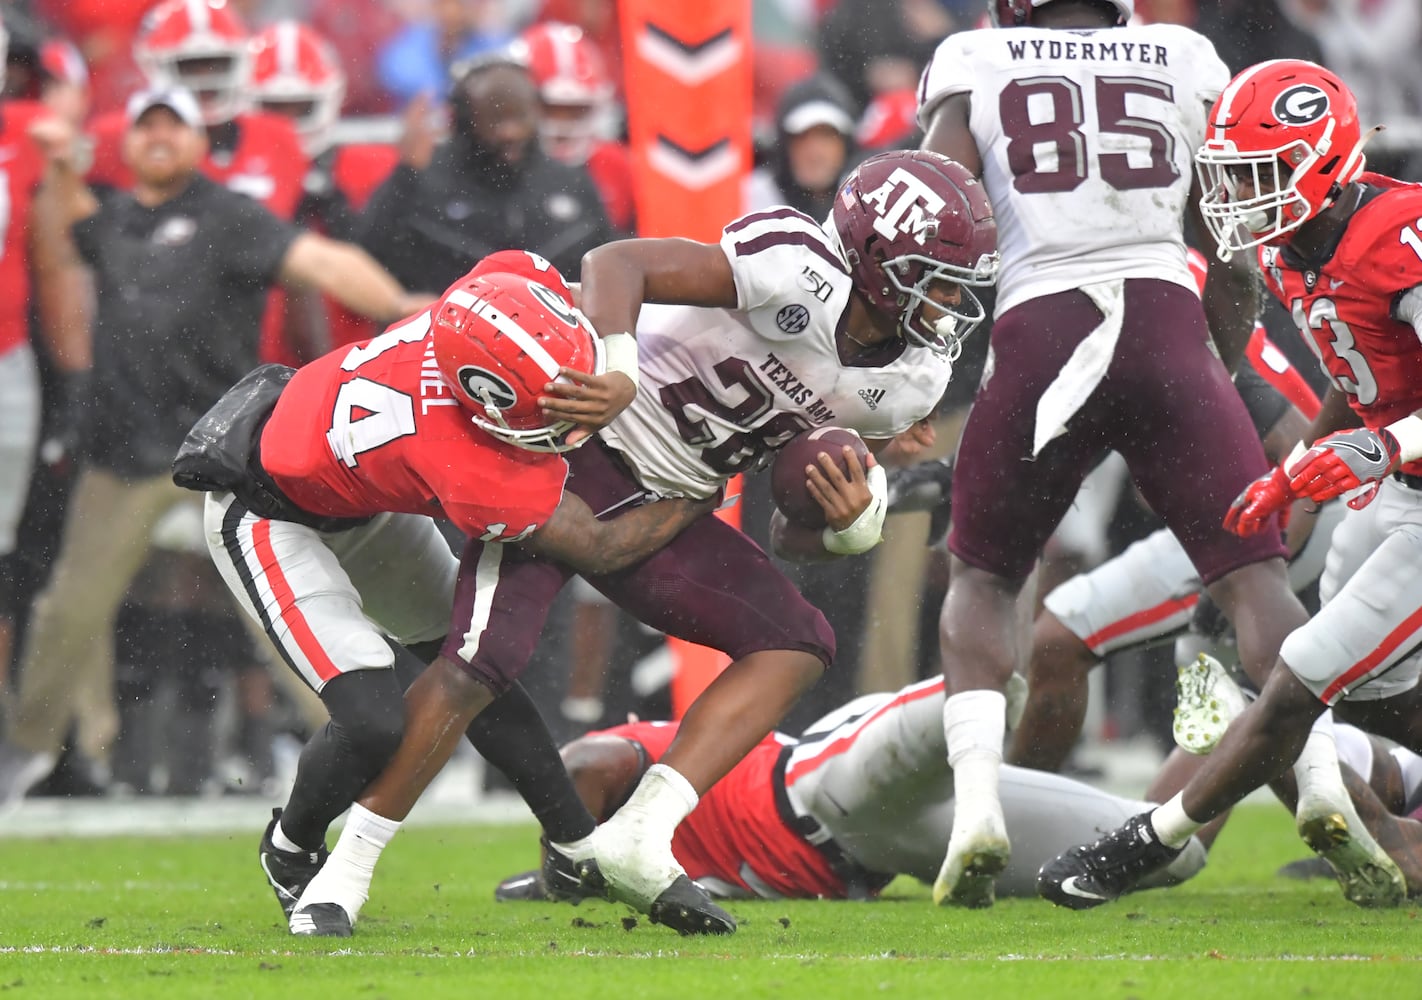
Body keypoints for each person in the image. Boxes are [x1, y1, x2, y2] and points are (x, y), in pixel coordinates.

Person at [281, 149, 1000, 936]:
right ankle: (343, 872)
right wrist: (620, 366)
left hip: (670, 507)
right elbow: (616, 262)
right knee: (481, 659)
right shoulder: (798, 266)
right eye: (935, 276)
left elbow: (786, 534)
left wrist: (850, 525)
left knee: (798, 641)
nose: (949, 303)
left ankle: (639, 835)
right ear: (872, 256)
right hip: (571, 448)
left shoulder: (911, 380)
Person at [914, 0, 1336, 910]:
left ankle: (977, 808)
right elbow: (1229, 244)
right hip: (1166, 318)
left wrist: (918, 370)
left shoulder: (977, 59)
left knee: (983, 579)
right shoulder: (1182, 54)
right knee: (1257, 580)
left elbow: (933, 222)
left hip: (1040, 319)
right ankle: (1330, 781)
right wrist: (1212, 379)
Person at [187, 252, 716, 937]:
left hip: (358, 490)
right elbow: (600, 545)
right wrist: (703, 489)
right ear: (488, 404)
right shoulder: (468, 470)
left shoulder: (492, 290)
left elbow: (556, 274)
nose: (569, 426)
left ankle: (577, 848)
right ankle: (289, 849)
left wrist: (614, 364)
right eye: (547, 413)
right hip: (268, 513)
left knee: (478, 675)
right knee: (374, 718)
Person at [1038, 58, 1422, 911]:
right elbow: (1358, 375)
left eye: (1261, 174)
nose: (1242, 197)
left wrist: (1376, 449)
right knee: (1380, 702)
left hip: (1413, 493)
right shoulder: (1296, 247)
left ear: (1321, 163)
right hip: (1393, 493)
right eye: (1234, 175)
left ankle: (1146, 840)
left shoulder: (1400, 236)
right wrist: (1299, 472)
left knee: (1296, 681)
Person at [0, 86, 429, 807]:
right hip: (126, 454)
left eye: (174, 124)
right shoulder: (117, 219)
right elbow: (71, 223)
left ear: (199, 140)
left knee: (275, 611)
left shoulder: (228, 215)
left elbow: (320, 263)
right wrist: (61, 167)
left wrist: (396, 308)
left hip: (219, 451)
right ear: (129, 144)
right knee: (68, 611)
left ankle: (359, 740)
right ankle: (29, 750)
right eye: (146, 125)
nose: (158, 136)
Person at [496, 675, 1211, 904]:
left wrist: (568, 857)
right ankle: (1235, 727)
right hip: (896, 848)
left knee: (979, 687)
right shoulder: (655, 866)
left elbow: (585, 760)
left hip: (817, 787)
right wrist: (560, 877)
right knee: (1174, 854)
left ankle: (994, 574)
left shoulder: (628, 766)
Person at [358, 51, 615, 292]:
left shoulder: (570, 182)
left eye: (519, 117)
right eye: (496, 119)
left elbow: (607, 266)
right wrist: (405, 175)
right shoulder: (420, 180)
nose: (510, 133)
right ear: (463, 119)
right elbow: (367, 256)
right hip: (448, 332)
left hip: (558, 334)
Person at [0, 14, 88, 696]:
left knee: (4, 556)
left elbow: (55, 263)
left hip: (8, 359)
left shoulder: (27, 138)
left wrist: (76, 374)